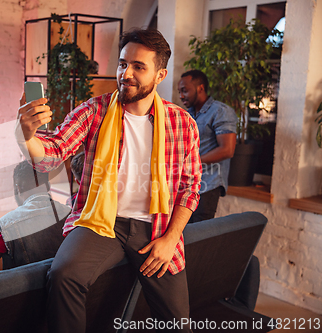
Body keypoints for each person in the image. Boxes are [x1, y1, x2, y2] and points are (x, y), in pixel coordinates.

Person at [16, 28, 201, 333]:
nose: (125, 73)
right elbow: (53, 152)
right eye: (122, 63)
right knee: (63, 275)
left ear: (160, 75)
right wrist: (26, 135)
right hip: (100, 223)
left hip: (156, 229)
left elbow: (190, 187)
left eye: (138, 67)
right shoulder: (94, 111)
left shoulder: (182, 123)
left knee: (178, 324)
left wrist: (170, 241)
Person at [0, 161, 71, 272]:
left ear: (19, 189)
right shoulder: (70, 215)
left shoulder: (6, 225)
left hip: (25, 289)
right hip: (62, 288)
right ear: (48, 186)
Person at [178, 70, 237, 223]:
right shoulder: (188, 114)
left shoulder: (220, 111)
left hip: (207, 185)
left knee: (198, 238)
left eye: (185, 90)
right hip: (187, 185)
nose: (181, 96)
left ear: (200, 88)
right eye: (180, 91)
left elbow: (227, 150)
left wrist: (191, 163)